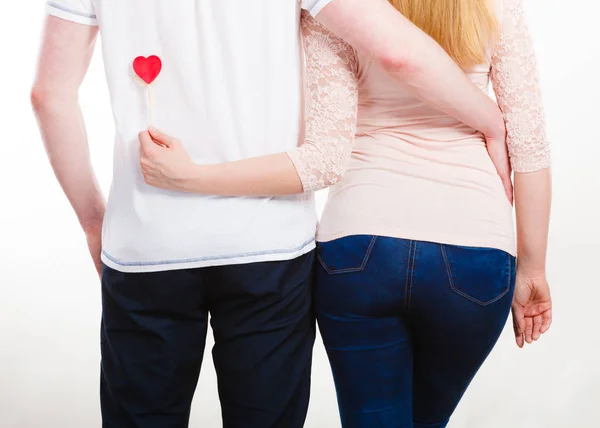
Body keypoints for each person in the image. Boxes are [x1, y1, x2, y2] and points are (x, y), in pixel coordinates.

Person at [32, 0, 514, 427]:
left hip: (146, 244)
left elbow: (49, 96)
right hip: (269, 246)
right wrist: (490, 120)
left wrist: (94, 220)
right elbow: (397, 52)